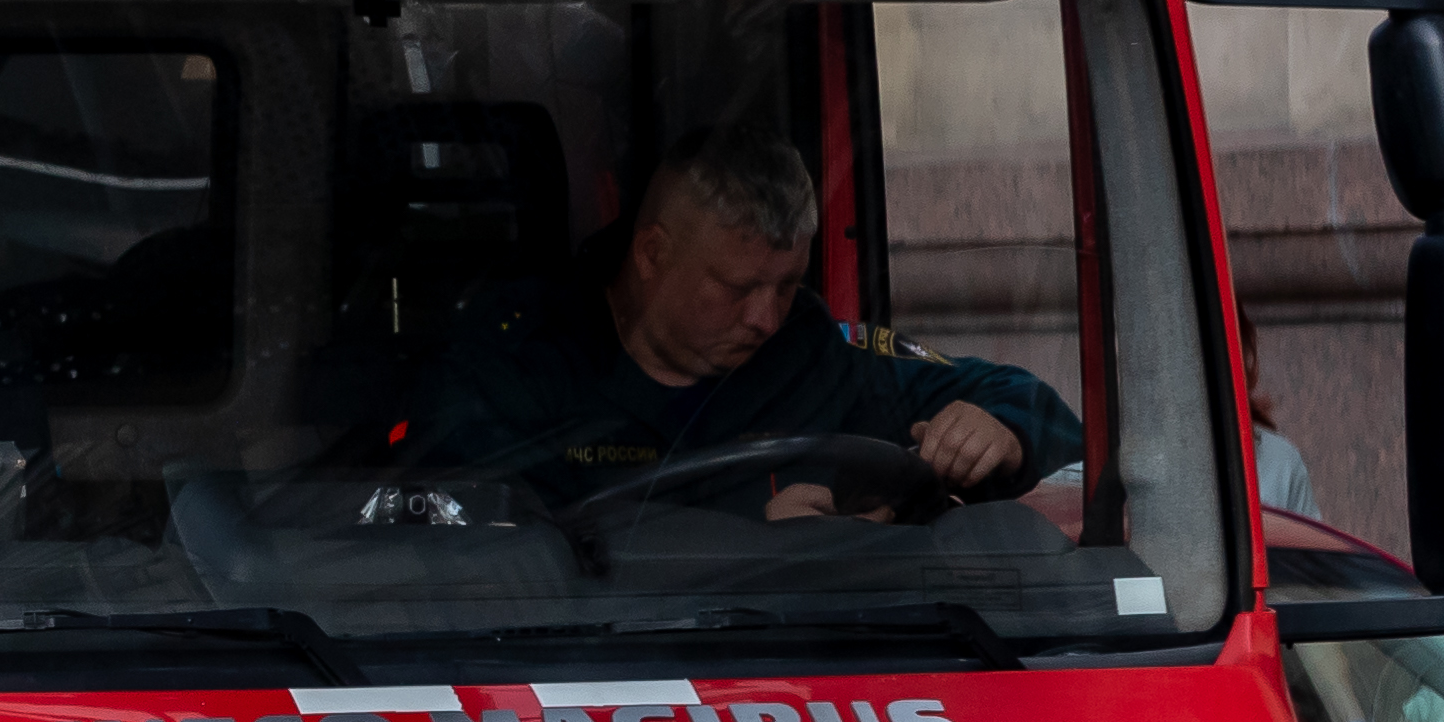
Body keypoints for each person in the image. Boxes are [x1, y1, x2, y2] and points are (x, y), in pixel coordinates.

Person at [398, 129, 1085, 517]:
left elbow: (1043, 413)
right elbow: (486, 540)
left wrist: (1004, 431)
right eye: (737, 287)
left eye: (787, 285)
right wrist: (746, 541)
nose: (765, 317)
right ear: (653, 254)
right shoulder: (517, 362)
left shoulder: (820, 354)